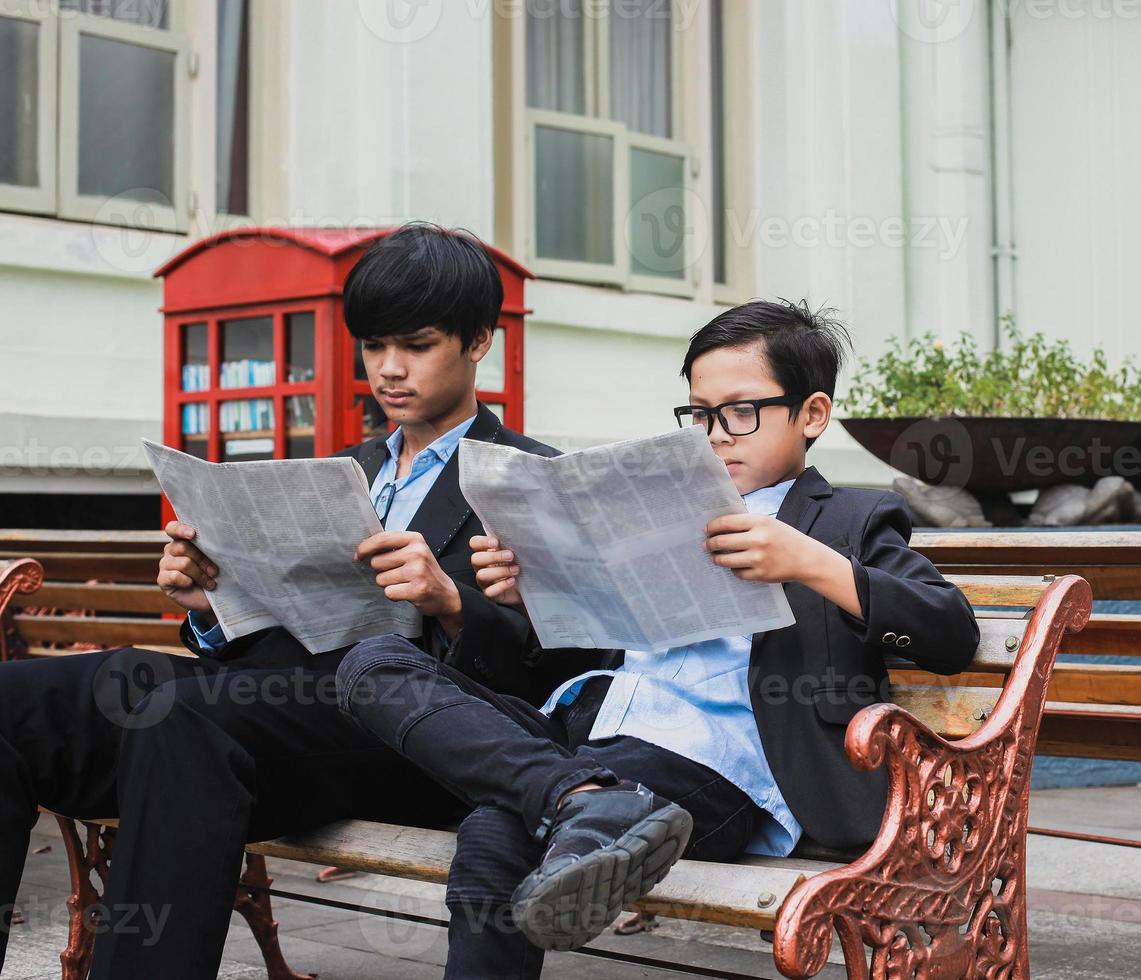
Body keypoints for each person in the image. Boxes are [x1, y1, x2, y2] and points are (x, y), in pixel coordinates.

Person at [336, 299, 982, 978]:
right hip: (588, 745)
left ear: (812, 414)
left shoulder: (847, 519)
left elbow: (949, 631)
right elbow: (593, 658)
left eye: (740, 412)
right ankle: (580, 800)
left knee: (493, 840)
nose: (715, 435)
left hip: (713, 765)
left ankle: (584, 804)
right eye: (699, 414)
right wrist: (537, 590)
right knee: (373, 665)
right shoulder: (657, 504)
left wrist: (809, 562)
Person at [0, 223, 571, 978]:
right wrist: (210, 603)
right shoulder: (341, 467)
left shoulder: (529, 478)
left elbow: (560, 677)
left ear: (478, 342)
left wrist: (451, 601)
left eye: (417, 345)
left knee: (179, 720)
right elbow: (270, 624)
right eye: (373, 347)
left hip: (410, 737)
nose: (390, 370)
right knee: (19, 700)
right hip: (263, 701)